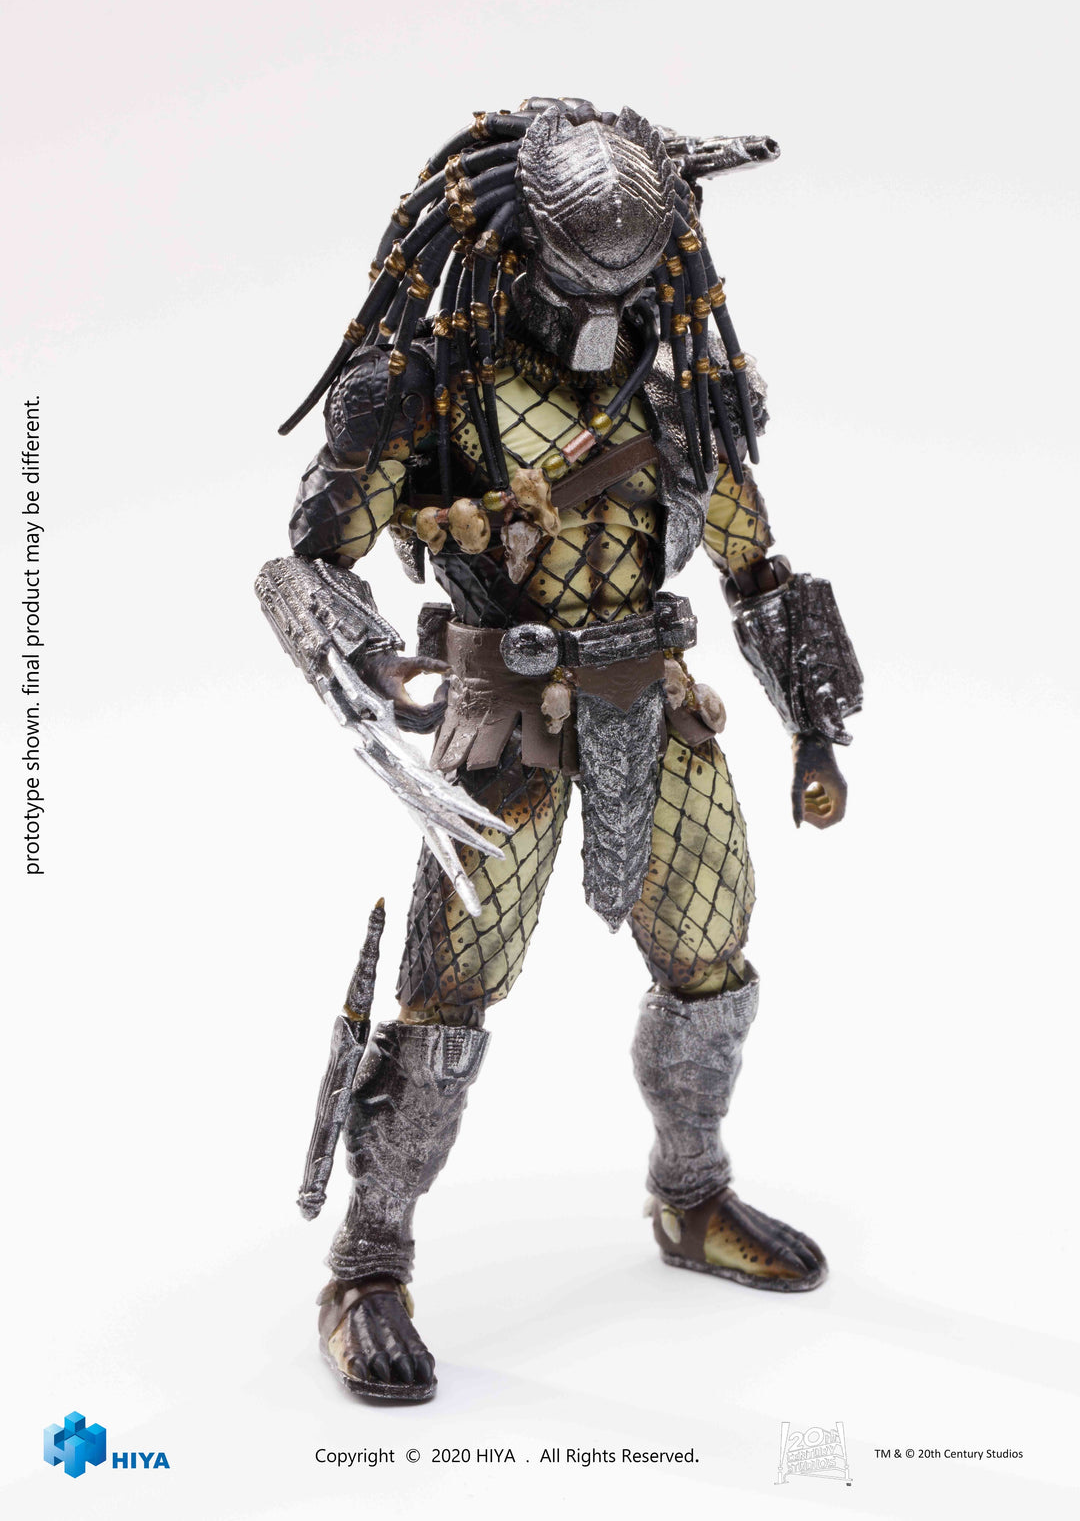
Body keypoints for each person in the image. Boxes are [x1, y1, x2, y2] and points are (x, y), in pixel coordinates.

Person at [258, 98, 862, 1402]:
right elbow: (310, 559)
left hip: (657, 701)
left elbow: (758, 570)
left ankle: (691, 1196)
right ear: (518, 245)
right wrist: (368, 666)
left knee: (711, 966)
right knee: (447, 1002)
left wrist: (815, 726)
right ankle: (368, 1266)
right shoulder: (425, 389)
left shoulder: (685, 393)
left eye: (630, 283)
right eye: (580, 278)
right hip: (504, 716)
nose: (603, 307)